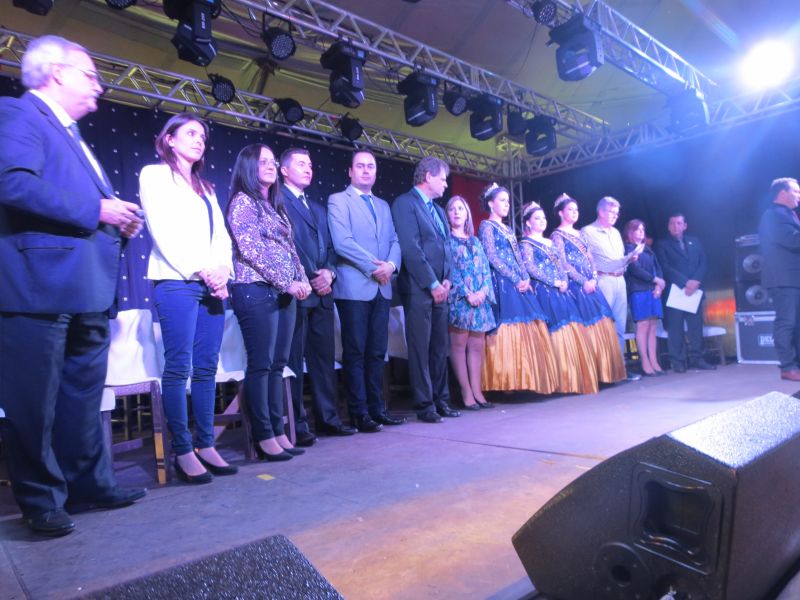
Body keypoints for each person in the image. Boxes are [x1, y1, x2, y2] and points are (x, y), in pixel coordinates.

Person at [0, 35, 146, 536]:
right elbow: (12, 183)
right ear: (56, 72)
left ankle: (88, 485)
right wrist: (97, 209)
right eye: (90, 75)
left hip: (86, 287)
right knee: (34, 404)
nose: (100, 86)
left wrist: (118, 220)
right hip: (38, 286)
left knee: (82, 399)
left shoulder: (71, 133)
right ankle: (41, 501)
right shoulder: (19, 114)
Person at [140, 113, 237, 484]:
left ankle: (206, 444)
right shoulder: (154, 175)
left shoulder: (206, 187)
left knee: (207, 367)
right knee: (179, 366)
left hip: (212, 284)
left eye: (203, 136)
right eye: (191, 133)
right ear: (170, 139)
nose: (199, 140)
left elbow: (221, 237)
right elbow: (162, 231)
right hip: (176, 280)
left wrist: (222, 270)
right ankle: (182, 449)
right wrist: (203, 270)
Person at [226, 144, 313, 461]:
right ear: (248, 166)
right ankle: (263, 436)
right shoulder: (243, 201)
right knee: (261, 365)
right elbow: (251, 250)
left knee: (278, 365)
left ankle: (278, 430)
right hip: (255, 289)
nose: (270, 166)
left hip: (284, 291)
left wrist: (302, 279)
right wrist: (286, 282)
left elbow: (290, 249)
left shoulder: (274, 205)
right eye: (262, 161)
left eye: (272, 161)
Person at [328, 150, 405, 431]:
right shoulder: (338, 200)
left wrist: (391, 266)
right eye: (360, 166)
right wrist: (376, 268)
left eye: (370, 166)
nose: (365, 170)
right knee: (355, 353)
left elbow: (395, 240)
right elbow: (343, 242)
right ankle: (358, 413)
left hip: (382, 287)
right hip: (354, 287)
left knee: (376, 352)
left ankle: (377, 409)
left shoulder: (383, 205)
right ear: (350, 171)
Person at [279, 148, 347, 442]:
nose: (308, 169)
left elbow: (330, 248)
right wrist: (311, 276)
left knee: (323, 361)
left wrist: (329, 273)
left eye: (310, 164)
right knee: (293, 363)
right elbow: (287, 247)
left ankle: (328, 418)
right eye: (301, 164)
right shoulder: (276, 201)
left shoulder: (318, 207)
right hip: (297, 292)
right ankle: (297, 425)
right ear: (284, 170)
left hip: (323, 293)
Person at [391, 156, 461, 423]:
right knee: (420, 348)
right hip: (419, 289)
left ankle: (442, 399)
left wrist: (447, 280)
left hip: (442, 289)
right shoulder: (405, 203)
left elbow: (446, 248)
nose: (446, 184)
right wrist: (432, 283)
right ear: (428, 176)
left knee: (439, 348)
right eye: (442, 179)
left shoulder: (439, 211)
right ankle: (425, 404)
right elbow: (411, 248)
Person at [478, 184, 557, 394]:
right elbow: (491, 256)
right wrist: (514, 278)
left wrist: (525, 278)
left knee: (529, 324)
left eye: (508, 201)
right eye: (502, 200)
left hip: (518, 282)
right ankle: (506, 381)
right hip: (501, 282)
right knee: (507, 325)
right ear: (490, 203)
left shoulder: (508, 229)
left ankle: (528, 378)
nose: (507, 204)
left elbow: (519, 258)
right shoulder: (486, 226)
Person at [520, 203, 598, 394]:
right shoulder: (526, 243)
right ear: (528, 223)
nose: (542, 221)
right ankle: (562, 381)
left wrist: (564, 280)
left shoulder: (550, 242)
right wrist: (554, 282)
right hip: (544, 291)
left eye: (543, 218)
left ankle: (576, 379)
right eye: (537, 218)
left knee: (573, 328)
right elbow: (530, 267)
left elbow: (562, 265)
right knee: (556, 330)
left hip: (562, 290)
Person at [551, 194, 626, 384]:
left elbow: (591, 259)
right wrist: (583, 281)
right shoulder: (557, 235)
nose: (574, 213)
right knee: (586, 328)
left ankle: (608, 372)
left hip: (592, 283)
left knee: (604, 326)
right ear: (560, 213)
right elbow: (563, 263)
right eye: (570, 210)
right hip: (576, 286)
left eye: (576, 210)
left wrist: (593, 277)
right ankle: (592, 374)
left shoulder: (581, 234)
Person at [580, 196, 643, 381]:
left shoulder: (615, 232)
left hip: (620, 280)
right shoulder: (588, 231)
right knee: (604, 327)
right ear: (600, 212)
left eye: (617, 213)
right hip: (603, 280)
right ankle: (603, 372)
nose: (615, 216)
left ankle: (620, 370)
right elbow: (595, 262)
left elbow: (620, 258)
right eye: (611, 212)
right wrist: (627, 259)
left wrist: (629, 260)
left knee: (620, 327)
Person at [445, 195, 497, 409]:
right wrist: (467, 294)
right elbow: (450, 270)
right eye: (452, 209)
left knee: (476, 346)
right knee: (458, 345)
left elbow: (485, 268)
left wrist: (483, 292)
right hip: (460, 300)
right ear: (447, 215)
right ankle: (466, 392)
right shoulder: (446, 240)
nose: (457, 212)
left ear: (467, 213)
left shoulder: (475, 240)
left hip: (480, 300)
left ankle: (477, 391)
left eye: (461, 208)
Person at [654, 213, 716, 372]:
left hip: (694, 291)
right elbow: (665, 267)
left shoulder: (694, 241)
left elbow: (703, 263)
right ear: (668, 227)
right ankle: (678, 361)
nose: (675, 226)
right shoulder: (662, 244)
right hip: (676, 291)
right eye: (672, 223)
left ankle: (698, 359)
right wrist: (685, 282)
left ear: (685, 226)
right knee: (675, 328)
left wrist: (695, 281)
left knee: (696, 327)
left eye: (679, 223)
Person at [758, 178, 800, 381]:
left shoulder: (788, 214)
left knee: (797, 324)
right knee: (787, 322)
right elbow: (792, 240)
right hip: (783, 279)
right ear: (782, 193)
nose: (799, 196)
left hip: (794, 279)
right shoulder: (773, 215)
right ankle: (787, 367)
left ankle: (796, 365)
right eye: (796, 192)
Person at [623, 219, 666, 376]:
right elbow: (635, 270)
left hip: (653, 290)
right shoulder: (629, 249)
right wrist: (655, 280)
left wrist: (659, 286)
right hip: (638, 290)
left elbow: (657, 268)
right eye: (637, 229)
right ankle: (645, 362)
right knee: (643, 325)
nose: (641, 232)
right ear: (630, 232)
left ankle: (654, 361)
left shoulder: (648, 249)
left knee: (653, 326)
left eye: (643, 229)